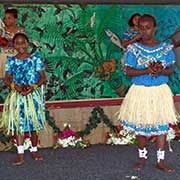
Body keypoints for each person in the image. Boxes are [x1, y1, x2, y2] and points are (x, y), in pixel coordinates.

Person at [117, 14, 178, 172]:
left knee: (161, 125)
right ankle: (142, 158)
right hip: (140, 92)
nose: (145, 31)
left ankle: (161, 160)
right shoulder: (134, 48)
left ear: (154, 28)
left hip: (159, 92)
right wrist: (146, 69)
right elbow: (128, 71)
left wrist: (160, 70)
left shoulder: (165, 48)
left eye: (148, 27)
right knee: (141, 125)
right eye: (141, 28)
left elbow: (170, 70)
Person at [1, 32, 47, 165]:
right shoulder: (12, 60)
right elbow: (7, 78)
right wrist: (16, 87)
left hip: (32, 95)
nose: (20, 45)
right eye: (17, 43)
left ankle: (34, 150)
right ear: (14, 45)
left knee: (34, 124)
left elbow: (43, 78)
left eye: (23, 42)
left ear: (27, 43)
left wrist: (33, 87)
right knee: (18, 124)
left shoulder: (35, 59)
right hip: (18, 95)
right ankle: (20, 153)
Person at [0, 8, 24, 79]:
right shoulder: (2, 30)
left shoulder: (20, 31)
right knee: (4, 80)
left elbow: (23, 46)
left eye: (9, 18)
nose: (6, 20)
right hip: (3, 57)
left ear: (15, 19)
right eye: (5, 18)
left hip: (15, 57)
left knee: (15, 79)